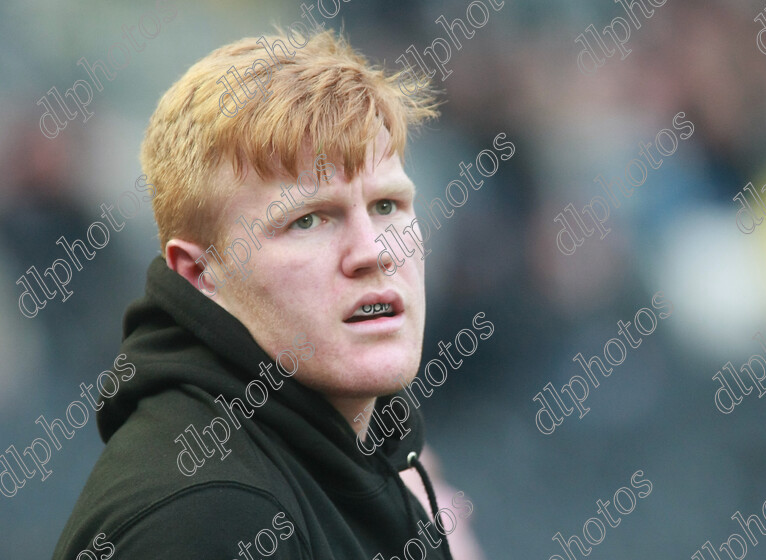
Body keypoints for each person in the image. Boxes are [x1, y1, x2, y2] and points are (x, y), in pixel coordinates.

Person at [51, 29, 463, 560]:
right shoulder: (209, 518)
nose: (374, 252)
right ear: (199, 274)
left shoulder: (358, 462)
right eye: (309, 219)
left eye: (387, 205)